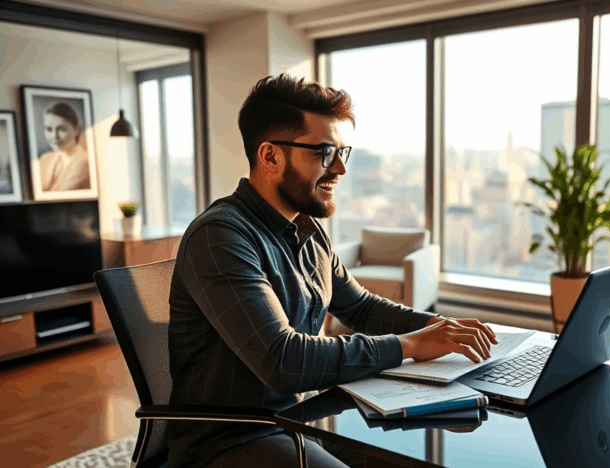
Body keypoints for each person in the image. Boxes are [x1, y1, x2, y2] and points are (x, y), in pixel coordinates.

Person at [167, 73, 498, 468]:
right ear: (270, 156)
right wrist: (409, 346)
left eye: (343, 152)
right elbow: (283, 360)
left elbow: (360, 308)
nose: (340, 168)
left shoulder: (309, 231)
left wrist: (442, 328)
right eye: (325, 152)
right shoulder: (221, 236)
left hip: (301, 419)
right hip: (229, 436)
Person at [37, 102, 90, 192]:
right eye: (49, 129)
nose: (54, 136)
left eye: (62, 129)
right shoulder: (45, 159)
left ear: (76, 130)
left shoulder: (85, 162)